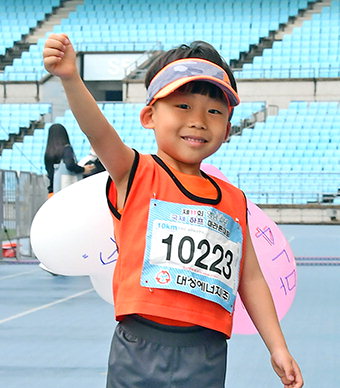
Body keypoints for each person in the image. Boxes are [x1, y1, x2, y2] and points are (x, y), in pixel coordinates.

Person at [43, 33, 304, 388]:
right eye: (183, 106)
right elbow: (98, 133)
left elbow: (251, 277)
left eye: (214, 112)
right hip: (139, 345)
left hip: (207, 350)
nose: (198, 121)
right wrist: (71, 78)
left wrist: (277, 346)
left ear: (227, 129)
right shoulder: (134, 172)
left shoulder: (233, 200)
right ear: (149, 115)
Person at [44, 123, 94, 195]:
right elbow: (70, 165)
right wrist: (83, 169)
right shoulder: (66, 148)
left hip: (53, 191)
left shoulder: (48, 153)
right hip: (65, 190)